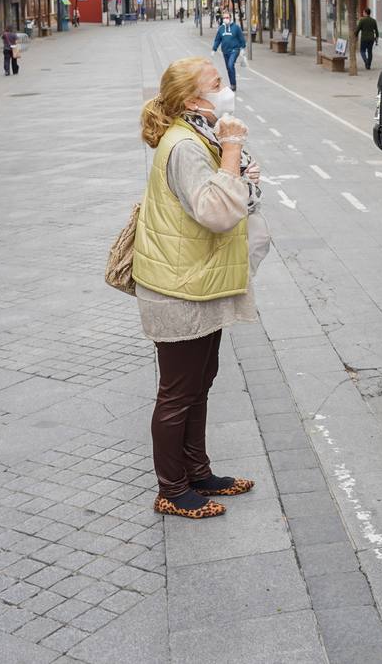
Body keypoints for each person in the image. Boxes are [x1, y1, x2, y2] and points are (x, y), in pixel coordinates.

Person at [135, 57, 272, 519]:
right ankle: (171, 489)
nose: (225, 88)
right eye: (217, 83)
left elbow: (227, 197)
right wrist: (231, 150)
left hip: (197, 281)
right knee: (177, 392)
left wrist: (234, 163)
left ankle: (198, 471)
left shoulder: (199, 134)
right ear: (194, 100)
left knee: (199, 381)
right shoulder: (185, 146)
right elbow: (215, 210)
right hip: (178, 287)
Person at [212, 14, 246, 91]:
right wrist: (214, 49)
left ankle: (233, 84)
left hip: (235, 50)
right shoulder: (221, 28)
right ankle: (232, 84)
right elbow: (218, 40)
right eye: (224, 18)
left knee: (230, 65)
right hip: (225, 51)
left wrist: (242, 48)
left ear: (230, 18)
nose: (225, 19)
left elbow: (241, 38)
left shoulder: (236, 28)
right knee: (228, 68)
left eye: (227, 17)